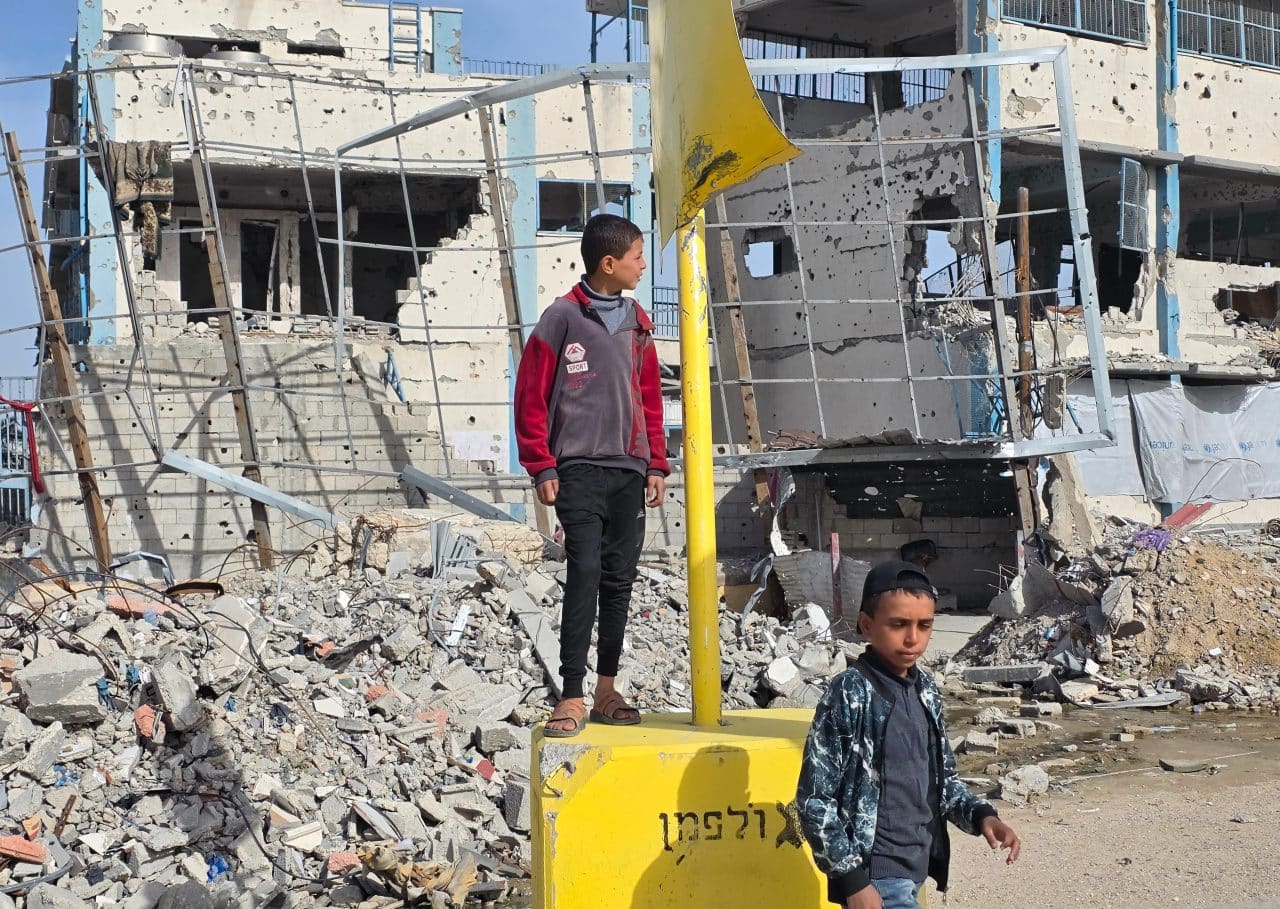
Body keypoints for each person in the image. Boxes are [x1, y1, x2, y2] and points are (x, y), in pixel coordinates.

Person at [514, 213, 668, 738]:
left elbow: (650, 397)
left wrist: (656, 461)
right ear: (608, 263)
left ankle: (606, 689)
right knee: (584, 572)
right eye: (637, 257)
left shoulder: (638, 324)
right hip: (577, 470)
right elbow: (530, 394)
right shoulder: (561, 318)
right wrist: (540, 462)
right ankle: (572, 693)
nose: (643, 266)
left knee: (619, 580)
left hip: (629, 470)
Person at [796, 560, 1021, 908]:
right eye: (898, 624)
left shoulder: (925, 689)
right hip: (878, 877)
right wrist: (852, 881)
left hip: (915, 868)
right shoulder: (850, 693)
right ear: (867, 625)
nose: (913, 638)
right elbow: (814, 800)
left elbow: (942, 780)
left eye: (924, 625)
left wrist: (982, 816)